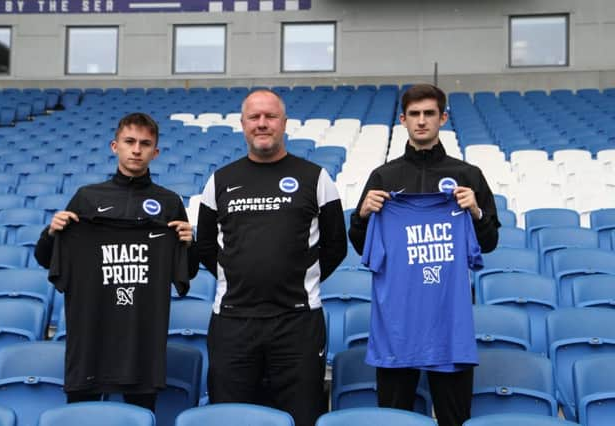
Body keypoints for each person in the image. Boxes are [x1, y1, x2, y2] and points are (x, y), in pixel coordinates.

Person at [348, 84, 500, 426]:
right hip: (396, 323)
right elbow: (363, 247)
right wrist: (362, 216)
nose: (421, 121)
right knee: (394, 419)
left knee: (454, 417)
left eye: (429, 113)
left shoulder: (467, 176)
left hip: (449, 322)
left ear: (443, 118)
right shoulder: (384, 176)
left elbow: (488, 243)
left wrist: (475, 212)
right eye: (414, 114)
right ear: (403, 120)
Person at [197, 89, 347, 426]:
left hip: (297, 323)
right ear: (243, 124)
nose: (262, 124)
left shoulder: (316, 178)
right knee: (232, 417)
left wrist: (296, 279)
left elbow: (336, 245)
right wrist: (238, 276)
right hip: (233, 322)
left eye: (270, 116)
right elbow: (205, 246)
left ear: (284, 123)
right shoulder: (220, 180)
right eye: (255, 117)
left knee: (301, 415)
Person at [34, 112, 199, 411]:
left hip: (142, 347)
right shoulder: (86, 198)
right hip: (90, 344)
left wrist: (190, 244)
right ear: (115, 146)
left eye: (145, 144)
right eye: (130, 142)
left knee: (140, 415)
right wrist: (51, 233)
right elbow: (47, 261)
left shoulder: (169, 202)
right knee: (82, 416)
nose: (137, 150)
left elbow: (186, 272)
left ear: (155, 151)